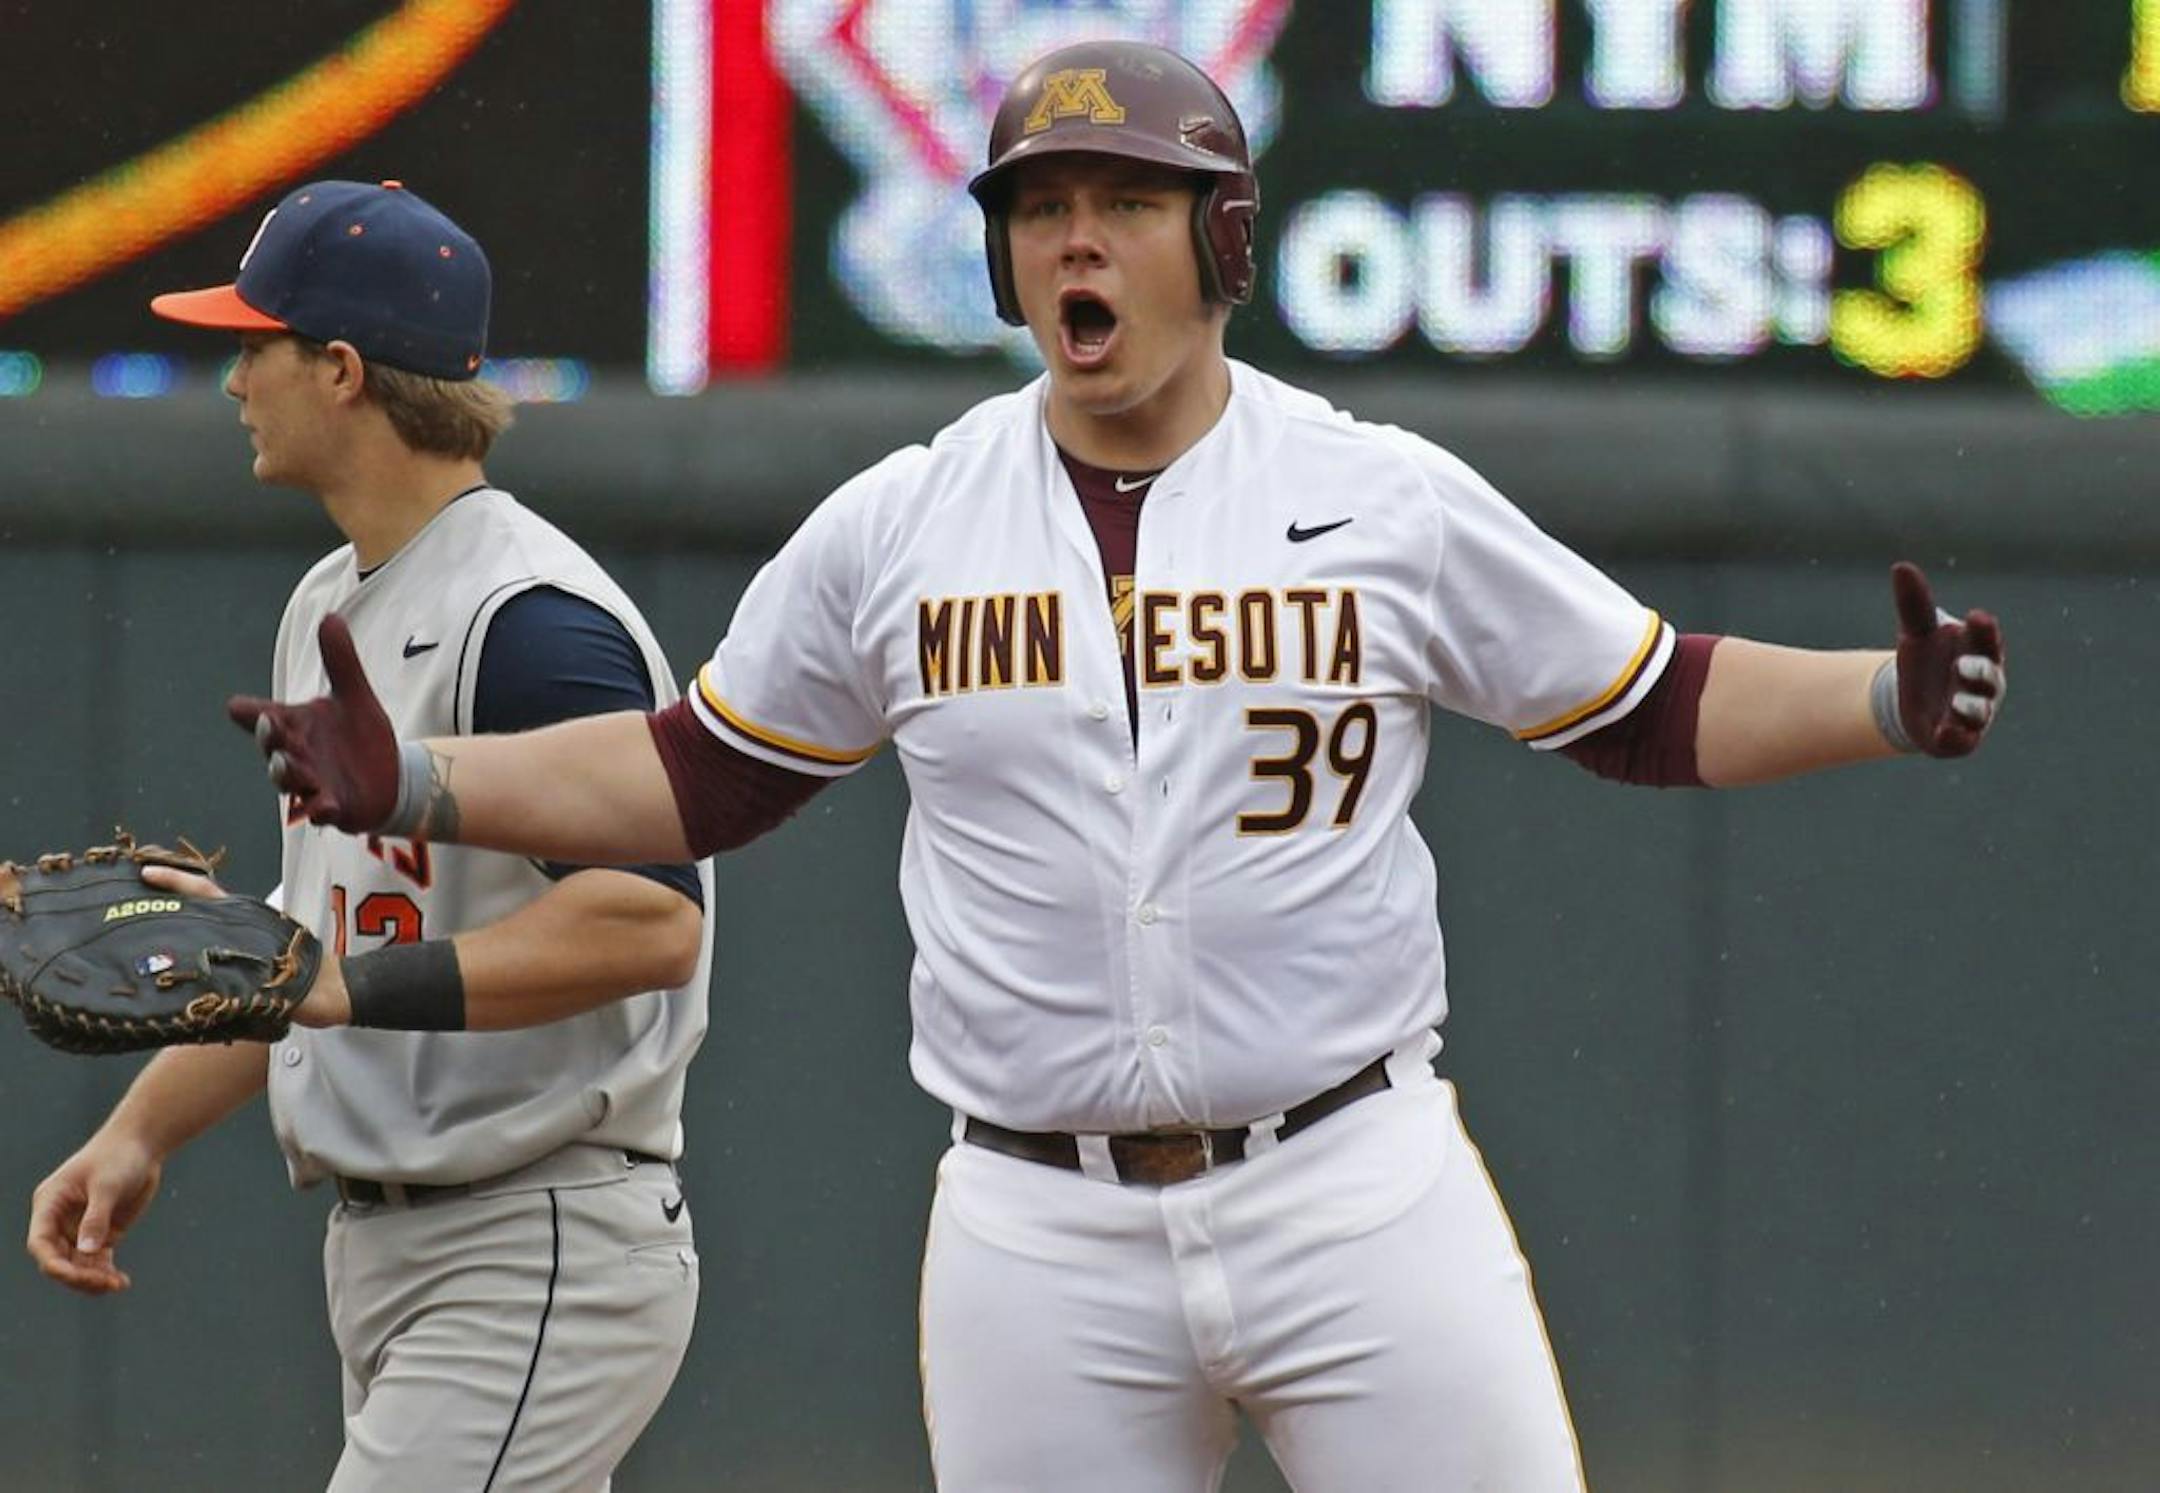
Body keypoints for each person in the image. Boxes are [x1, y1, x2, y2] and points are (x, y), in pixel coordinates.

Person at [231, 46, 2005, 1493]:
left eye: (1130, 205)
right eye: (1044, 211)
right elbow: (701, 781)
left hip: (1351, 1180)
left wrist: (1877, 698)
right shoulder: (905, 526)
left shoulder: (1371, 493)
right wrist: (423, 784)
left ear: (1220, 242)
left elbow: (1645, 700)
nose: (1081, 244)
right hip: (1036, 1222)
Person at [25, 180, 715, 1492]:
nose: (233, 379)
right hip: (403, 1247)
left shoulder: (529, 620)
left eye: (253, 345)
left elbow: (650, 916)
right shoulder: (330, 603)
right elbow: (308, 955)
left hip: (534, 1237)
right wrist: (139, 1130)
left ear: (339, 369)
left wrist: (347, 985)